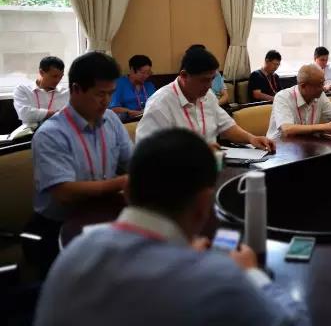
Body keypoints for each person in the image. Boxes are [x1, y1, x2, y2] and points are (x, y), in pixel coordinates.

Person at [34, 129, 309, 326]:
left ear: (127, 191)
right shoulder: (218, 279)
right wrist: (250, 273)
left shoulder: (72, 253)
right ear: (204, 203)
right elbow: (295, 321)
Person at [24, 52, 133, 277]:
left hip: (101, 216)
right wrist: (121, 183)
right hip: (56, 226)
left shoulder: (111, 120)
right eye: (99, 94)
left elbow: (132, 161)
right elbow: (65, 192)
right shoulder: (51, 134)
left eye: (111, 93)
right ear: (76, 89)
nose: (107, 101)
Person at [136, 47, 274, 152]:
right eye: (204, 80)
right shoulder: (160, 104)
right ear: (184, 76)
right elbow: (148, 153)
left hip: (209, 169)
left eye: (212, 79)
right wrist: (196, 153)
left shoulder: (207, 95)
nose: (209, 86)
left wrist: (251, 138)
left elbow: (227, 127)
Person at [267, 64, 331, 140]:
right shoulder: (282, 97)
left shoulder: (320, 95)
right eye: (319, 85)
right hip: (278, 147)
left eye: (323, 83)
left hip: (306, 146)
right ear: (303, 86)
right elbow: (287, 129)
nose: (323, 88)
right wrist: (326, 126)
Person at [13, 56, 69, 129]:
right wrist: (54, 114)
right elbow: (24, 114)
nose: (57, 80)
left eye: (60, 77)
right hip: (31, 133)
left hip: (58, 133)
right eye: (54, 76)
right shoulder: (23, 90)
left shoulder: (66, 93)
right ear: (41, 72)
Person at [109, 54, 156, 119]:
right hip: (128, 121)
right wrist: (134, 113)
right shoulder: (119, 84)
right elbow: (113, 108)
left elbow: (156, 104)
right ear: (132, 70)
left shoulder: (149, 85)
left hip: (148, 119)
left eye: (148, 73)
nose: (146, 76)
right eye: (143, 73)